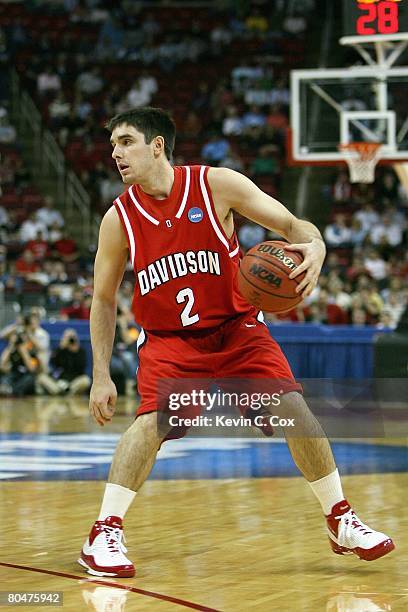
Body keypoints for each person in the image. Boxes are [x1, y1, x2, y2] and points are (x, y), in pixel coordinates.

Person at [79, 107, 394, 578]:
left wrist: (317, 245)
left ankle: (340, 519)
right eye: (113, 146)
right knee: (150, 424)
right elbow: (102, 299)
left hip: (237, 329)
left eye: (126, 142)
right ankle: (103, 532)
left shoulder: (215, 185)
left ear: (157, 145)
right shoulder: (118, 219)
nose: (116, 154)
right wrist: (101, 374)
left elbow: (292, 226)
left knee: (294, 409)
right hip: (171, 340)